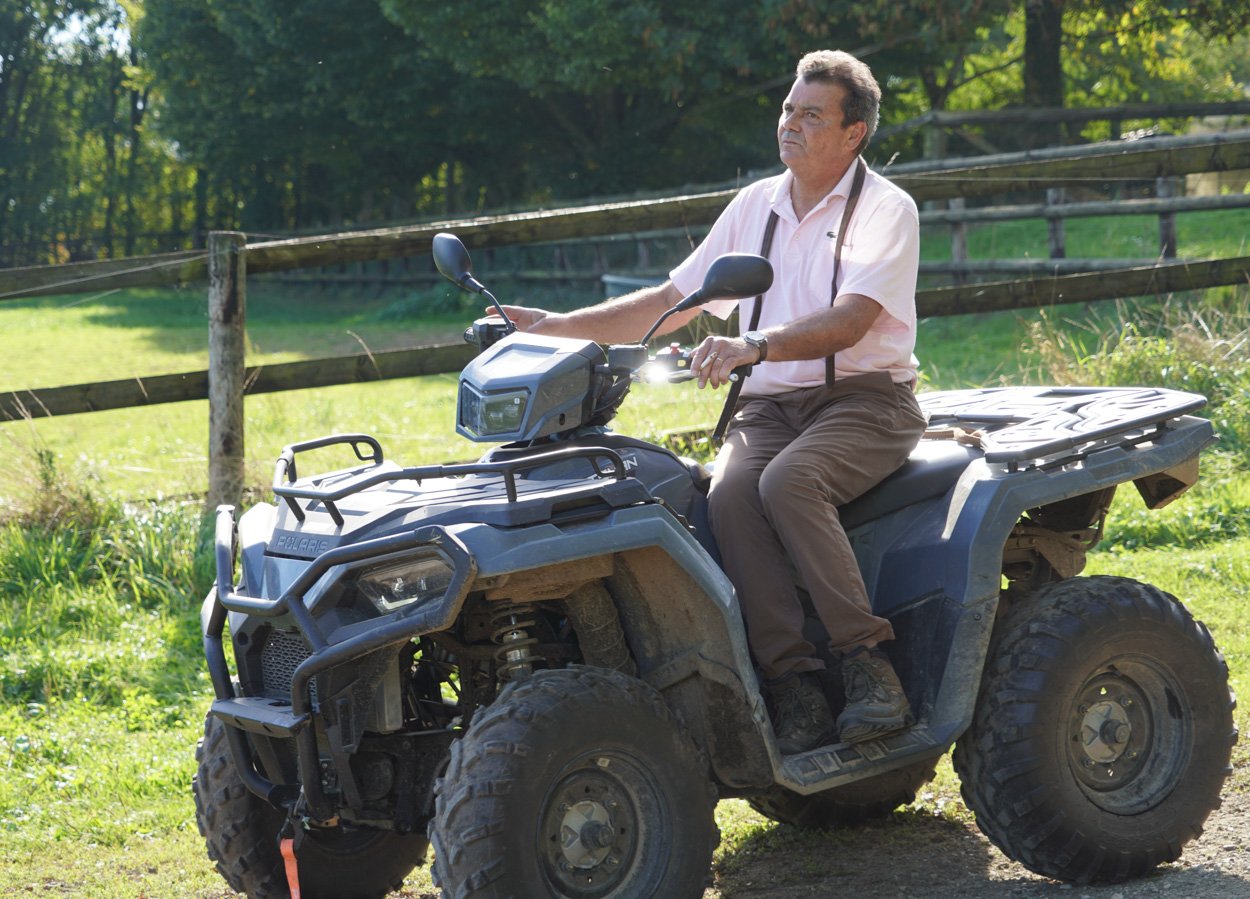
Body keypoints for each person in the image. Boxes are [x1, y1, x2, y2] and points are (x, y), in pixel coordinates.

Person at [496, 49, 925, 754]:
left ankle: (868, 666)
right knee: (725, 496)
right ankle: (793, 684)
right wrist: (554, 327)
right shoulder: (756, 205)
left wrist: (753, 344)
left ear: (854, 134)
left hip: (866, 401)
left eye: (811, 115)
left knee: (790, 482)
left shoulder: (886, 209)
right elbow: (675, 300)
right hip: (770, 408)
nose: (789, 123)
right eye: (787, 108)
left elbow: (851, 322)